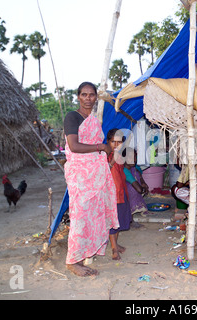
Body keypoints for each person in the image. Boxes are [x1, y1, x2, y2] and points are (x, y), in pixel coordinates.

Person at [63, 82, 119, 277]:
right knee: (79, 217)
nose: (88, 98)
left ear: (96, 97)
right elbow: (74, 146)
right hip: (80, 176)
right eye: (84, 95)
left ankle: (86, 252)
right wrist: (101, 147)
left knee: (93, 216)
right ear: (78, 97)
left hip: (95, 176)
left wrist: (103, 151)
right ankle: (72, 261)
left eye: (91, 95)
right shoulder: (73, 117)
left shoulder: (93, 119)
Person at [106, 128, 132, 260]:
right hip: (111, 195)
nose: (116, 145)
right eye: (112, 142)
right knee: (112, 223)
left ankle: (116, 244)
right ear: (107, 142)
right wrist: (112, 161)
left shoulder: (120, 155)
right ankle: (114, 249)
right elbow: (104, 172)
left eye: (119, 142)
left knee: (119, 221)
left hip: (121, 192)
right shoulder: (105, 155)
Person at [123, 147, 149, 218]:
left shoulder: (133, 168)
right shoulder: (125, 171)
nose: (134, 160)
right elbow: (139, 189)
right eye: (130, 157)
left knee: (136, 174)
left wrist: (142, 182)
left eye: (135, 157)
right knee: (133, 188)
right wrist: (144, 189)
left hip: (133, 191)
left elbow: (138, 172)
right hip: (123, 196)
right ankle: (130, 209)